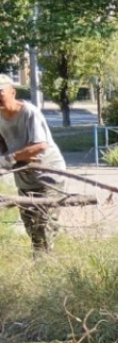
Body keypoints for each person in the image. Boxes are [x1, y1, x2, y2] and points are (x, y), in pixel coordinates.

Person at [0, 74, 67, 254]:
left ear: (12, 92)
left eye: (0, 92)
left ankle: (47, 266)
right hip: (24, 177)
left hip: (48, 176)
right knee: (31, 226)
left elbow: (40, 145)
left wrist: (8, 160)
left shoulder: (29, 112)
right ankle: (41, 265)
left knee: (44, 226)